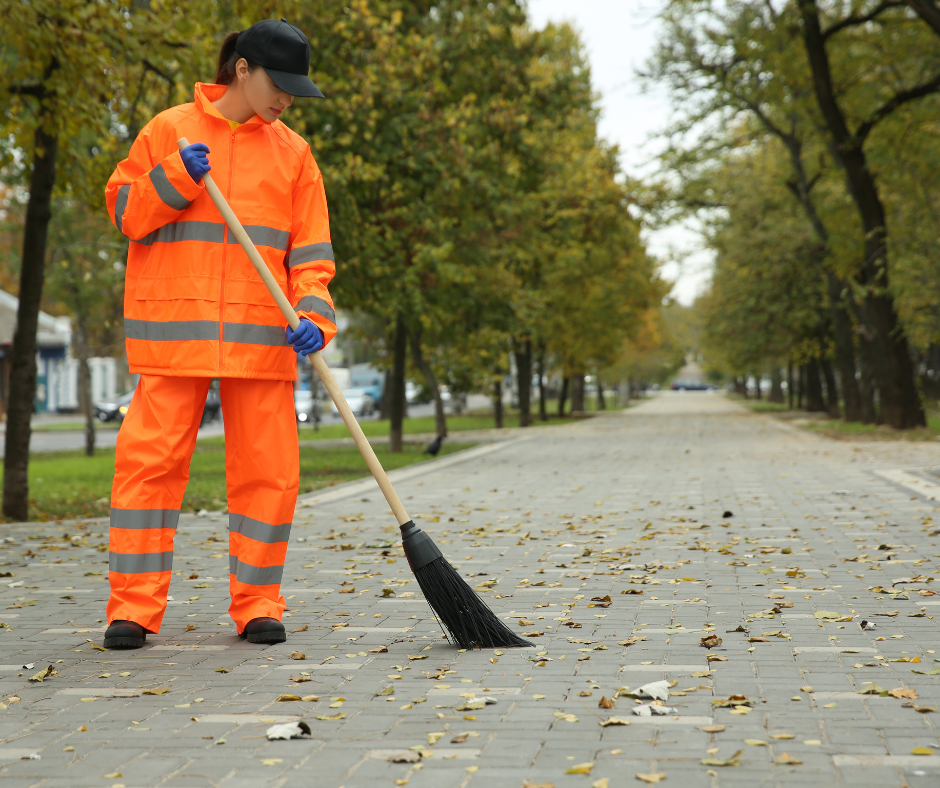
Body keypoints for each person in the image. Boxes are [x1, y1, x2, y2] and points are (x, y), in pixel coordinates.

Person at [103, 19, 335, 649]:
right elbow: (124, 212)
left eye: (295, 90)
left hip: (263, 336)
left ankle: (259, 603)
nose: (286, 99)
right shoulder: (168, 132)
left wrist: (314, 316)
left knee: (269, 474)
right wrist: (173, 178)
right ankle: (132, 608)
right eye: (278, 84)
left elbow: (312, 257)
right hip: (174, 333)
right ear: (242, 69)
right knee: (148, 470)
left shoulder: (295, 155)